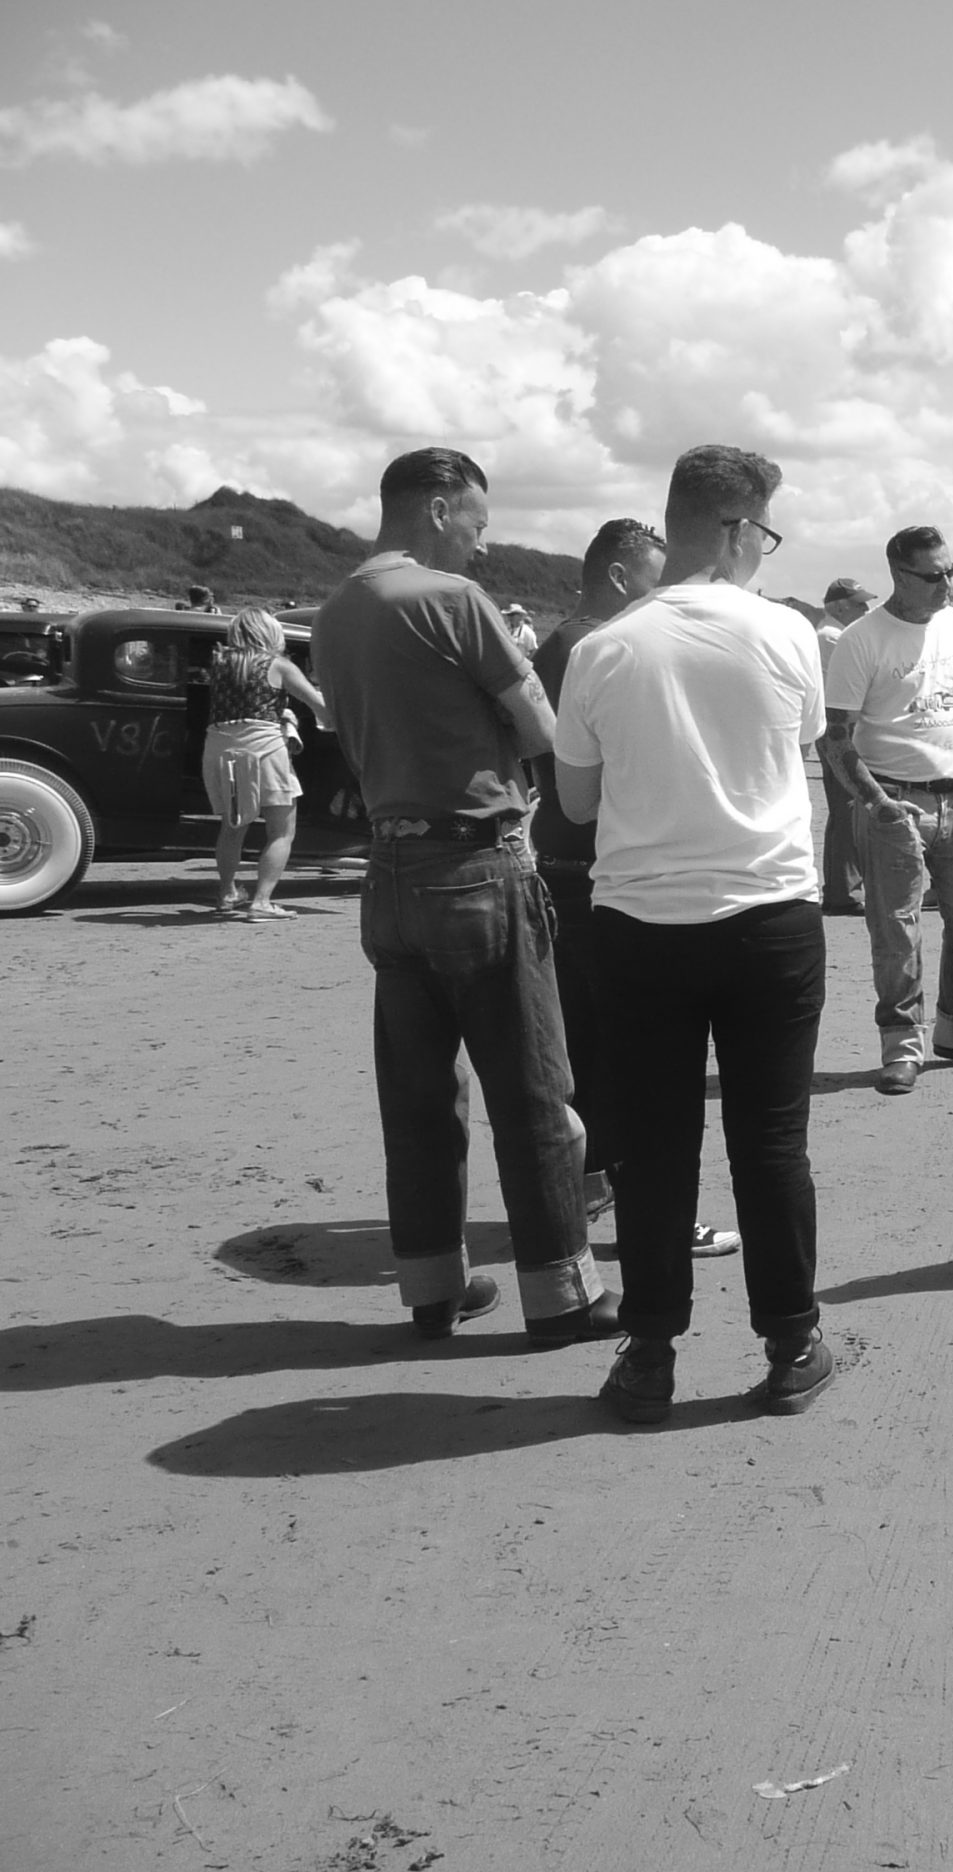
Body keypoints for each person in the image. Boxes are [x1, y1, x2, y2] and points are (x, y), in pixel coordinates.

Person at [309, 446, 619, 1348]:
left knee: (417, 1098)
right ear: (439, 508)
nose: (483, 544)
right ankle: (561, 1296)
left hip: (389, 870)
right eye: (478, 524)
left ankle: (432, 1288)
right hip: (478, 866)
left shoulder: (335, 611)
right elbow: (544, 730)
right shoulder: (450, 599)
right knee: (533, 1093)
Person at [553, 444, 834, 1423]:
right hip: (770, 915)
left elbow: (576, 803)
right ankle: (791, 1343)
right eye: (768, 533)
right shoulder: (787, 633)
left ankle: (650, 1355)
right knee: (772, 1142)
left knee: (653, 1146)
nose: (767, 550)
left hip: (641, 923)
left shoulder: (604, 647)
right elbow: (801, 744)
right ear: (735, 530)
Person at [530, 519, 742, 1263]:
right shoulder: (591, 645)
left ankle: (597, 1191)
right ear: (620, 577)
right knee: (632, 1062)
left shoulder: (569, 644)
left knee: (593, 1051)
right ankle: (654, 1215)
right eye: (657, 578)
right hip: (595, 872)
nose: (667, 595)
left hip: (570, 864)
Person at [822, 524, 953, 1097]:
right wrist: (875, 802)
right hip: (895, 803)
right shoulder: (862, 639)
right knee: (897, 932)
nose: (946, 585)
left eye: (951, 571)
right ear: (898, 575)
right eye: (932, 576)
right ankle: (903, 1045)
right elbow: (835, 735)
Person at [201, 608, 330, 919]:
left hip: (220, 748)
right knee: (281, 830)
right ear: (270, 632)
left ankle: (227, 893)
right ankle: (261, 901)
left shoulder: (220, 664)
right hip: (263, 749)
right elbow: (320, 707)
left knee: (233, 826)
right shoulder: (279, 666)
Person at [814, 578, 874, 917]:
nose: (865, 610)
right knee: (848, 808)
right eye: (858, 604)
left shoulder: (833, 634)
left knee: (847, 807)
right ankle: (843, 891)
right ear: (839, 606)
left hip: (840, 728)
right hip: (840, 731)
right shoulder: (832, 637)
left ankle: (844, 888)